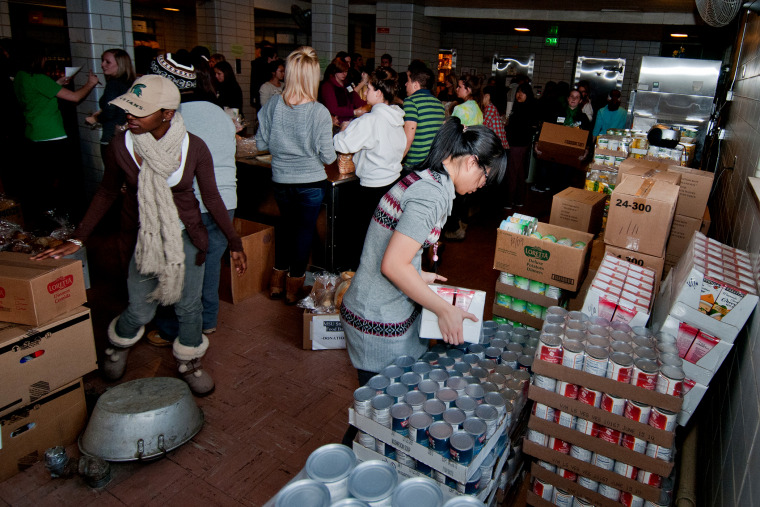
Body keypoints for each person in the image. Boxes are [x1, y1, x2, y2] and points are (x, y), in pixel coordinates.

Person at [33, 75, 248, 395]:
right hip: (143, 239)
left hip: (187, 237)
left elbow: (212, 198)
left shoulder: (193, 147)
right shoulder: (123, 146)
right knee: (141, 308)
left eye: (139, 111)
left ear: (167, 113)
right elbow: (106, 193)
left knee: (190, 307)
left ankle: (189, 361)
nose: (129, 116)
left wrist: (234, 241)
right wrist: (78, 238)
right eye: (127, 109)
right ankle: (117, 346)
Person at [339, 118, 507, 383]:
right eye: (486, 177)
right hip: (377, 315)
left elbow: (394, 249)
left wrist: (417, 272)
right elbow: (393, 265)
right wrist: (445, 310)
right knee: (382, 410)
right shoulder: (432, 195)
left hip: (385, 306)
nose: (482, 186)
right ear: (472, 162)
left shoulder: (429, 179)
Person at [142, 53, 238, 347]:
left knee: (178, 270)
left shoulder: (170, 116)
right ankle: (207, 321)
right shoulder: (220, 113)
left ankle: (172, 329)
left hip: (189, 204)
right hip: (226, 202)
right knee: (209, 266)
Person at [256, 47, 337, 304]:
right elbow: (328, 157)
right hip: (311, 183)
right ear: (313, 77)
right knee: (303, 233)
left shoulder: (272, 105)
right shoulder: (319, 112)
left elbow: (260, 143)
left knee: (285, 230)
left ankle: (276, 284)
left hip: (280, 180)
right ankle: (293, 289)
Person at [14, 44, 100, 226]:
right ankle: (67, 220)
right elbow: (76, 97)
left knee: (41, 180)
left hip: (33, 134)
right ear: (37, 59)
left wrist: (57, 84)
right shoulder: (39, 78)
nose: (46, 60)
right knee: (64, 181)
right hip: (52, 135)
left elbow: (36, 94)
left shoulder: (21, 77)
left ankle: (44, 218)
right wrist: (90, 84)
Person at [333, 68, 406, 270]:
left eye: (369, 88)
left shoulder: (371, 120)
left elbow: (342, 144)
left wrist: (343, 130)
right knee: (383, 238)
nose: (365, 92)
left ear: (379, 92)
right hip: (392, 184)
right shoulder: (397, 118)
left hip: (372, 188)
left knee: (364, 239)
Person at [87, 49, 136, 159]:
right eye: (102, 61)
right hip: (129, 135)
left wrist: (96, 118)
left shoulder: (113, 84)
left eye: (107, 62)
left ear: (120, 64)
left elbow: (110, 112)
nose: (102, 64)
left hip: (112, 136)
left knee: (112, 174)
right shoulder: (131, 82)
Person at [403, 65, 445, 167]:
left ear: (416, 85)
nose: (405, 84)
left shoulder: (410, 101)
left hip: (415, 163)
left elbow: (408, 137)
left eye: (408, 81)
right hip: (433, 162)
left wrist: (397, 160)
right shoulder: (439, 103)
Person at [504, 82, 538, 208]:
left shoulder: (524, 109)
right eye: (518, 91)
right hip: (522, 144)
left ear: (528, 94)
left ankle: (509, 201)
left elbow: (519, 127)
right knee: (519, 172)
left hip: (517, 143)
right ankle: (519, 200)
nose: (519, 94)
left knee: (513, 172)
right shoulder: (522, 107)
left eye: (523, 92)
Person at [320, 57, 367, 126]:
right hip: (337, 124)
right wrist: (353, 112)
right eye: (341, 71)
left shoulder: (347, 84)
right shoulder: (328, 86)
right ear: (335, 71)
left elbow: (356, 100)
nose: (344, 74)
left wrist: (370, 104)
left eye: (346, 71)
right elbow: (334, 109)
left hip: (349, 121)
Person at [250, 42, 277, 109]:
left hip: (257, 97)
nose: (276, 59)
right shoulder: (268, 69)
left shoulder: (256, 65)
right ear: (269, 57)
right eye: (275, 57)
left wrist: (252, 98)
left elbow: (253, 83)